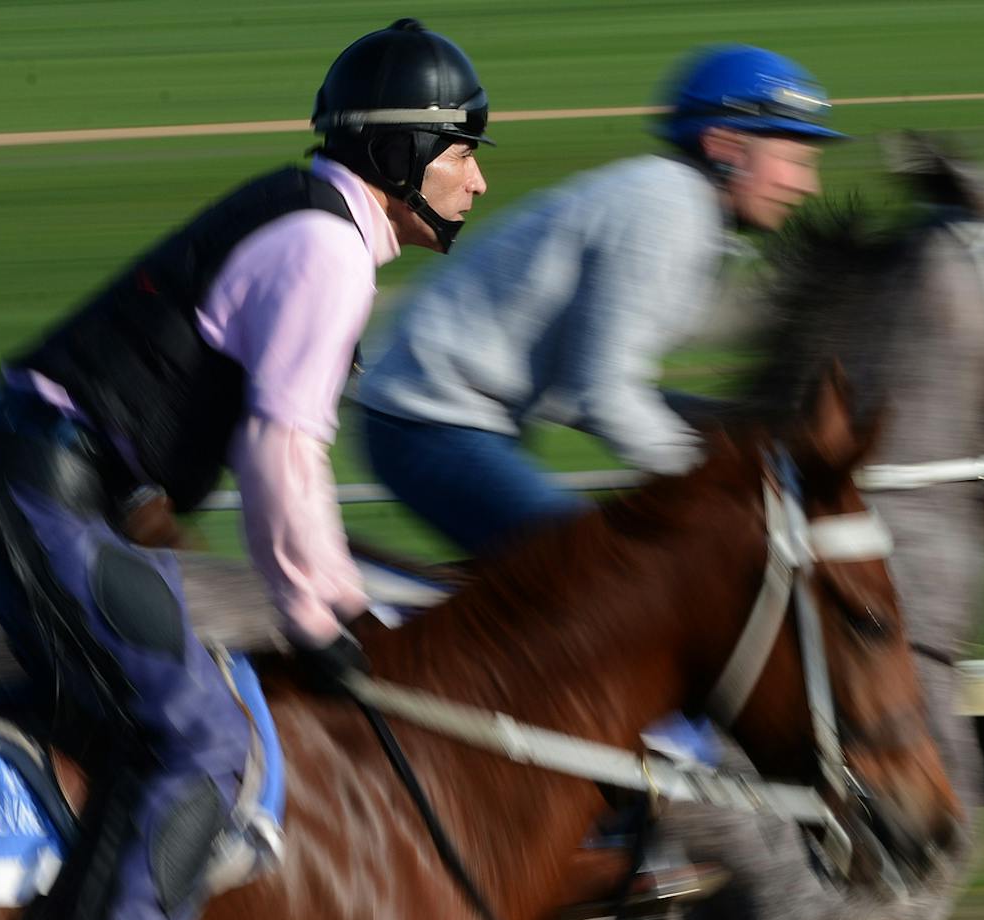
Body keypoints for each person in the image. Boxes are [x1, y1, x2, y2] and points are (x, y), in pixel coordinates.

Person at [0, 18, 491, 920]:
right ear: (397, 156)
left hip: (41, 484)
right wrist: (325, 612)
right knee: (198, 739)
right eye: (460, 147)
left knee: (162, 717)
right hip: (41, 493)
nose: (479, 176)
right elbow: (282, 451)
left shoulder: (311, 225)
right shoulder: (327, 250)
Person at [357, 43, 839, 557]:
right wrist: (721, 480)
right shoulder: (667, 212)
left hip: (443, 418)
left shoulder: (682, 209)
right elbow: (604, 395)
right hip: (426, 422)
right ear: (724, 146)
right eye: (792, 159)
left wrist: (733, 426)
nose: (806, 184)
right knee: (607, 575)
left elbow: (589, 388)